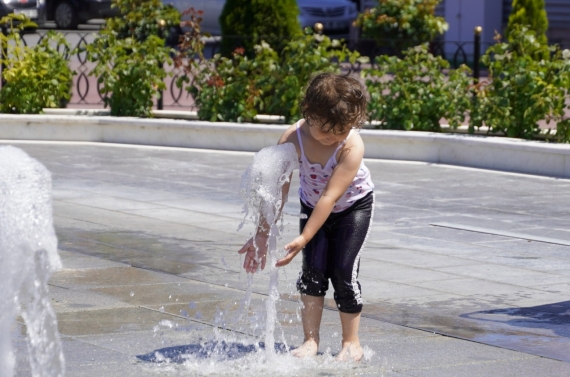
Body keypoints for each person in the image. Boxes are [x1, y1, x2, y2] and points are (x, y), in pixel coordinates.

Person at [238, 72, 374, 362]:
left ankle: (352, 342)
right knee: (312, 273)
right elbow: (277, 191)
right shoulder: (292, 139)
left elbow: (330, 196)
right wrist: (262, 232)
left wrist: (303, 237)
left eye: (341, 130)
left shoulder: (352, 145)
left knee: (343, 272)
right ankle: (310, 340)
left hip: (352, 208)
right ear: (309, 114)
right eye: (326, 130)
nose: (333, 137)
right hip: (313, 207)